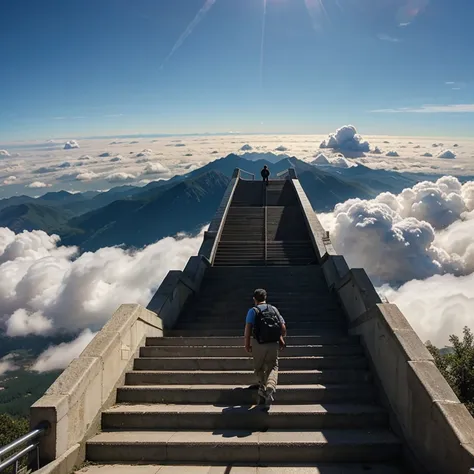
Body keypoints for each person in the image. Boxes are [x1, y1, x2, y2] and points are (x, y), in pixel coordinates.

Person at [244, 288, 287, 409]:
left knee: (259, 368)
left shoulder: (253, 311)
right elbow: (282, 328)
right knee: (273, 366)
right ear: (265, 298)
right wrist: (281, 338)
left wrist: (247, 344)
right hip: (273, 343)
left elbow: (248, 330)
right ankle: (270, 387)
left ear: (254, 299)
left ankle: (262, 390)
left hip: (258, 343)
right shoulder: (274, 309)